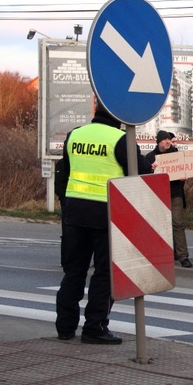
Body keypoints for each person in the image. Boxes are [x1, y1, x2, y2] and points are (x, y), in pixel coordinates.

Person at [55, 101, 152, 345]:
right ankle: (94, 328)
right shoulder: (120, 139)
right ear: (118, 115)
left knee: (73, 271)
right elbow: (140, 172)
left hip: (75, 213)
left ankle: (65, 328)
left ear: (95, 113)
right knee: (104, 274)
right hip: (107, 213)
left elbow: (64, 173)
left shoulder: (75, 135)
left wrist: (66, 206)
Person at [146, 130, 192, 268]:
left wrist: (184, 174)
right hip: (157, 196)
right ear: (158, 141)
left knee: (178, 224)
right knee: (159, 226)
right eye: (164, 139)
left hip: (174, 194)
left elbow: (184, 173)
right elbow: (145, 175)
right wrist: (151, 169)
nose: (167, 142)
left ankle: (183, 256)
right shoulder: (150, 157)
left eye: (168, 139)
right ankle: (161, 254)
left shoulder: (176, 155)